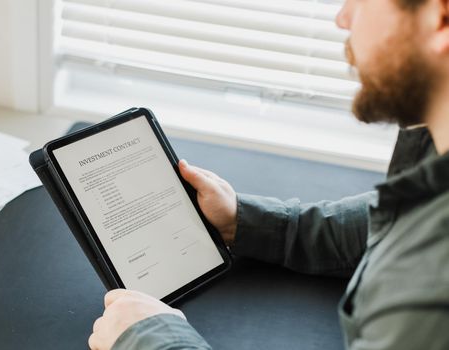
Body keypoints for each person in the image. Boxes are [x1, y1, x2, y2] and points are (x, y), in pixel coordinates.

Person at [88, 0, 449, 349]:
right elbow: (387, 223)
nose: (343, 18)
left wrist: (148, 340)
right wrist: (242, 221)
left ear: (440, 17)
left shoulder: (431, 282)